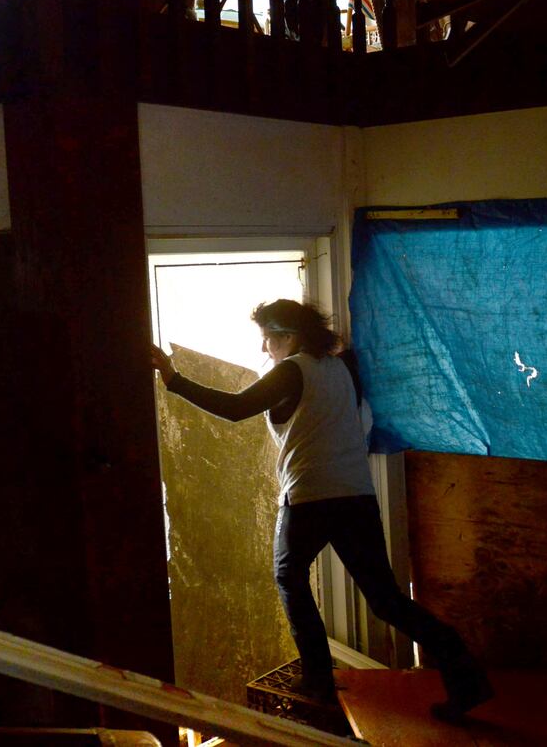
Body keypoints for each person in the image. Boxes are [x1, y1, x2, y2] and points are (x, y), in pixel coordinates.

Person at [150, 299, 493, 720]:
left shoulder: (291, 370)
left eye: (268, 338)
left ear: (289, 337)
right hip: (356, 495)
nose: (264, 348)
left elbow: (235, 409)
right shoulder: (340, 368)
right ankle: (466, 676)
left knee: (289, 578)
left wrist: (172, 377)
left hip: (311, 495)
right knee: (386, 600)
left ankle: (317, 678)